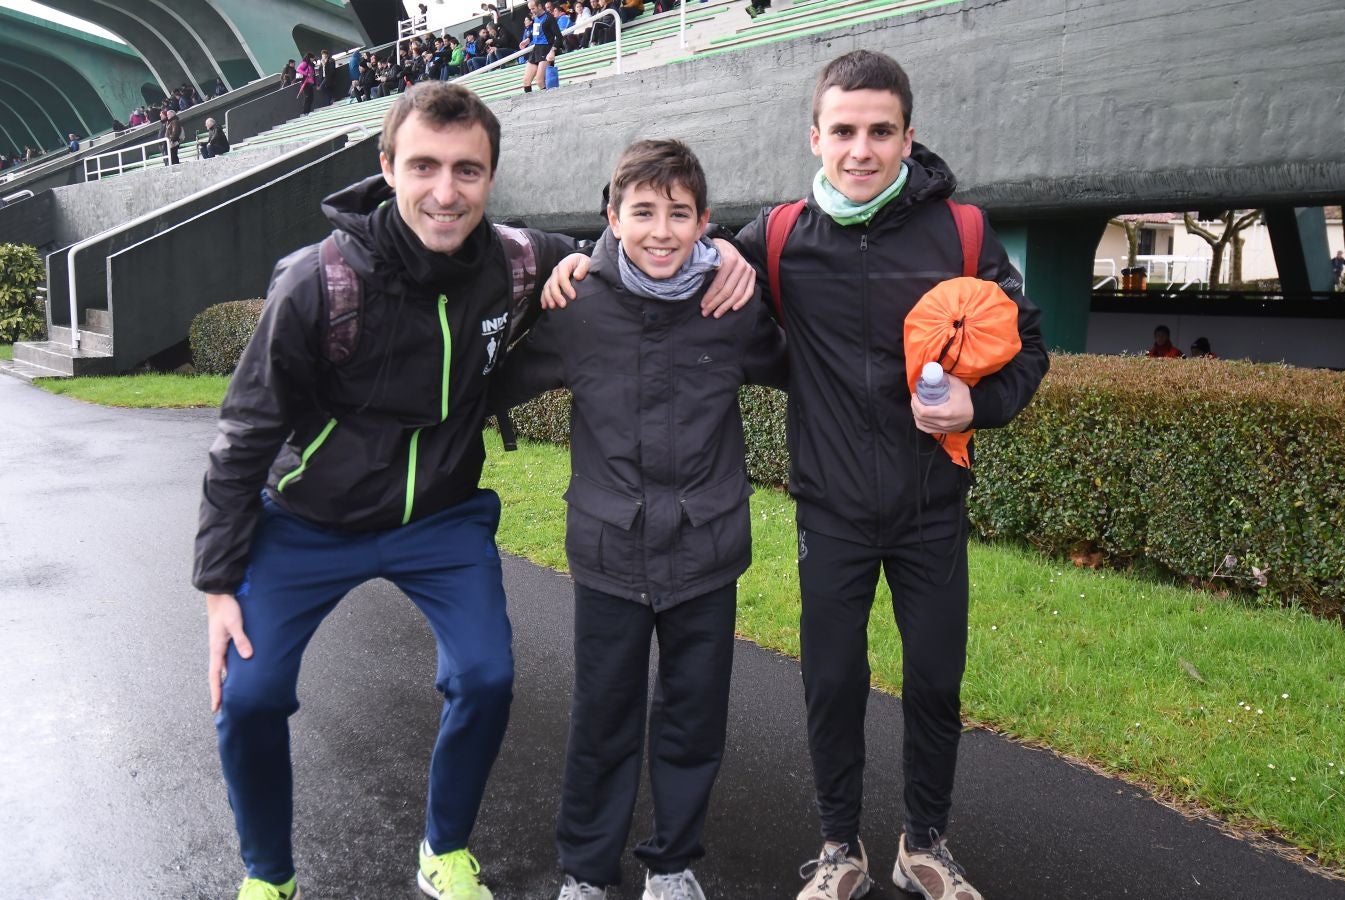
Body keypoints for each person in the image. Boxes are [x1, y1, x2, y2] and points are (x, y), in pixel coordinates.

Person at [194, 79, 755, 900]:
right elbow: (242, 435)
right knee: (250, 695)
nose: (445, 191)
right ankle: (266, 874)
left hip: (443, 520)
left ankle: (443, 849)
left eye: (467, 170)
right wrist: (217, 583)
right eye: (424, 166)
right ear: (387, 166)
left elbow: (634, 249)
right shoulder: (316, 282)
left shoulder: (523, 260)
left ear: (491, 177)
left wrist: (726, 251)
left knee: (487, 676)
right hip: (310, 521)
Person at [542, 49, 1047, 900]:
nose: (861, 149)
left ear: (907, 137)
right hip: (832, 510)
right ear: (815, 137)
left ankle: (924, 842)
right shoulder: (775, 238)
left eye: (879, 131)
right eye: (843, 130)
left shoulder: (961, 232)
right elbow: (663, 255)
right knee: (834, 682)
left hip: (930, 507)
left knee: (933, 680)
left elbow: (1025, 347)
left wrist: (978, 406)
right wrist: (577, 262)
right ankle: (837, 847)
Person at [494, 140, 785, 900]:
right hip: (609, 552)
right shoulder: (577, 303)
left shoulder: (731, 301)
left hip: (706, 549)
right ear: (612, 218)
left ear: (705, 223)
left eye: (679, 214)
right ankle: (587, 872)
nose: (661, 230)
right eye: (643, 212)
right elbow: (486, 381)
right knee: (604, 719)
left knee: (693, 720)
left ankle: (672, 864)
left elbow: (807, 365)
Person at [520, 0, 564, 94]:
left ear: (539, 6)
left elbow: (559, 37)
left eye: (533, 8)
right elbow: (536, 33)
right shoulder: (535, 18)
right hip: (536, 50)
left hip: (546, 50)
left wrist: (553, 50)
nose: (532, 11)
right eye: (530, 9)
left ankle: (549, 101)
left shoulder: (549, 17)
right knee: (526, 82)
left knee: (540, 81)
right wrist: (527, 40)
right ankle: (530, 104)